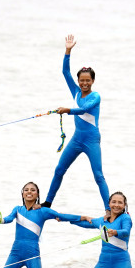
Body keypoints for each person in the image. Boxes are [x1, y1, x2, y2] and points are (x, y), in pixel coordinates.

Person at [41, 34, 110, 213]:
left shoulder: (95, 96)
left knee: (98, 176)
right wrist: (68, 51)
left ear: (93, 81)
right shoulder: (76, 92)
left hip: (91, 141)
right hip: (76, 140)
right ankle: (47, 203)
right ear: (79, 81)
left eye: (88, 80)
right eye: (82, 80)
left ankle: (109, 210)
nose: (84, 83)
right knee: (58, 170)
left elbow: (83, 110)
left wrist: (67, 110)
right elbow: (65, 72)